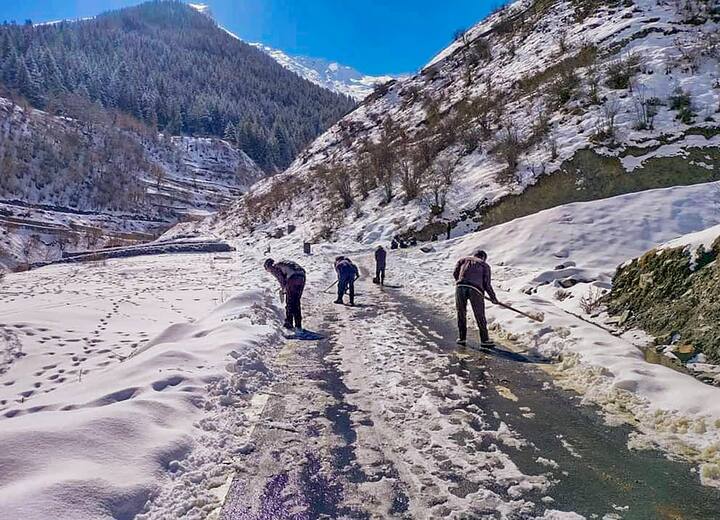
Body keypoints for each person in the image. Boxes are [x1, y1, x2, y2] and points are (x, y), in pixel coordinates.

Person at [453, 248, 498, 347]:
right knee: (479, 314)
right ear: (483, 257)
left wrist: (461, 282)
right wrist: (493, 298)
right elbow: (487, 284)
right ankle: (484, 340)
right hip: (475, 289)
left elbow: (455, 273)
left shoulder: (462, 260)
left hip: (460, 287)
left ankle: (462, 338)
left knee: (461, 313)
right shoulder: (484, 265)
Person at [264, 258, 306, 330]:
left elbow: (281, 279)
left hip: (293, 278)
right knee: (296, 301)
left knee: (289, 301)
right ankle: (298, 325)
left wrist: (284, 289)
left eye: (267, 270)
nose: (269, 272)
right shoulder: (283, 263)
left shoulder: (274, 266)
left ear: (268, 266)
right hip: (302, 276)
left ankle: (289, 323)